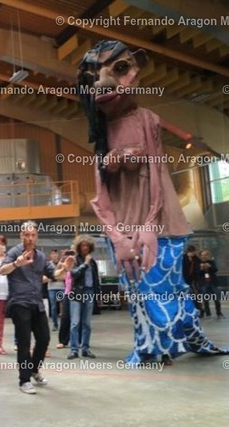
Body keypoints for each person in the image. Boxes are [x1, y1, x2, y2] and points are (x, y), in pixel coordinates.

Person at [80, 40, 227, 364]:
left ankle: (173, 344)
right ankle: (154, 347)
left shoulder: (146, 119)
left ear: (136, 70)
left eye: (120, 69)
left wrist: (148, 225)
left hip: (161, 227)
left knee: (166, 288)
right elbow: (100, 197)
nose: (103, 82)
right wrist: (117, 237)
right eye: (93, 76)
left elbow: (158, 176)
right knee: (141, 291)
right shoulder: (100, 133)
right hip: (126, 232)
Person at [0, 221, 64, 394]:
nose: (30, 238)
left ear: (37, 237)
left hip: (37, 303)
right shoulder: (14, 252)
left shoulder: (41, 256)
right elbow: (2, 270)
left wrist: (65, 269)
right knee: (24, 342)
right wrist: (16, 264)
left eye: (33, 235)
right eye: (26, 235)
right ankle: (24, 380)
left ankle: (34, 370)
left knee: (44, 339)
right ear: (21, 235)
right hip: (19, 302)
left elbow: (54, 274)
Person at [66, 236, 100, 360]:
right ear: (79, 247)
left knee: (87, 323)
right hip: (77, 293)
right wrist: (85, 264)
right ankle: (74, 350)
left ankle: (85, 349)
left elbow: (96, 279)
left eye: (87, 245)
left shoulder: (93, 262)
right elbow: (74, 274)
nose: (85, 247)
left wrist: (98, 294)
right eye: (83, 245)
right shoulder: (75, 260)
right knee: (75, 323)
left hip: (89, 292)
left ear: (90, 247)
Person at [56, 250, 76, 349]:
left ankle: (78, 340)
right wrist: (62, 262)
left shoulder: (77, 268)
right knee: (65, 318)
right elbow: (57, 275)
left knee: (77, 319)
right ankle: (63, 341)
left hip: (78, 294)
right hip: (67, 294)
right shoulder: (65, 269)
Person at [197, 250, 224, 319]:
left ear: (208, 255)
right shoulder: (198, 263)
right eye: (202, 255)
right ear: (200, 256)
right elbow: (197, 273)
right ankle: (208, 313)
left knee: (216, 298)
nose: (204, 256)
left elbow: (215, 270)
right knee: (205, 299)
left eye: (205, 255)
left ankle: (219, 312)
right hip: (203, 283)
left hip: (212, 282)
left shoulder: (211, 262)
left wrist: (209, 266)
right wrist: (201, 268)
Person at [46, 250, 64, 332]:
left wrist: (55, 277)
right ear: (50, 255)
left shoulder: (62, 263)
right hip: (51, 288)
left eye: (56, 254)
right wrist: (55, 276)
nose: (55, 255)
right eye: (53, 254)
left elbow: (63, 275)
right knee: (53, 307)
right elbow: (50, 275)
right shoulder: (48, 264)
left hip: (61, 287)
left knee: (64, 306)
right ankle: (55, 324)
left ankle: (64, 324)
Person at [182, 245, 203, 315]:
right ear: (188, 252)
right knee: (185, 295)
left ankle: (199, 309)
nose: (192, 253)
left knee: (195, 294)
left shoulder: (196, 259)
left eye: (193, 252)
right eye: (191, 252)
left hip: (193, 279)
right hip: (184, 278)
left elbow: (199, 266)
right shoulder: (183, 258)